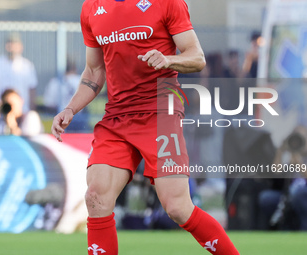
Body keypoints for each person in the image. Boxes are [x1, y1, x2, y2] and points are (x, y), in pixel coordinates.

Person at [52, 0, 239, 254]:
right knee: (95, 197)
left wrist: (168, 60)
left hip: (160, 112)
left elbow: (197, 57)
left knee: (176, 207)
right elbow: (94, 70)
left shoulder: (167, 2)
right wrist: (70, 109)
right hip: (117, 116)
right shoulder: (91, 8)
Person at [0, 32, 38, 119]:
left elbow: (32, 91)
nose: (12, 47)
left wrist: (32, 111)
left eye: (15, 44)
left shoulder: (27, 66)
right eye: (10, 43)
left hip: (21, 114)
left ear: (20, 46)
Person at [44, 58, 89, 131]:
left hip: (61, 116)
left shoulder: (55, 82)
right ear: (74, 67)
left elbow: (49, 103)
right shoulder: (80, 80)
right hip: (78, 116)